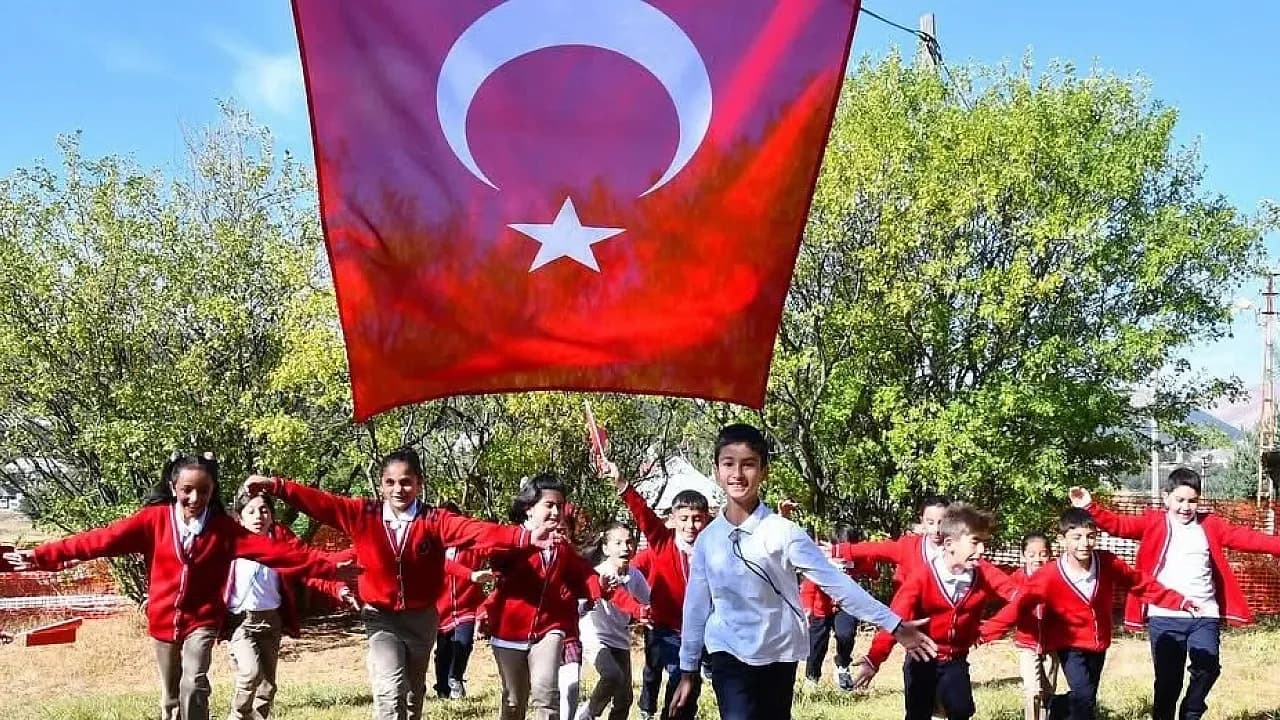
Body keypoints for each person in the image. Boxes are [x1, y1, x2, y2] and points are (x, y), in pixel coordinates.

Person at [3, 453, 340, 720]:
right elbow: (100, 540)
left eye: (204, 491)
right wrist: (43, 556)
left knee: (194, 682)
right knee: (171, 697)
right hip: (163, 620)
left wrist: (333, 567)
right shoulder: (154, 521)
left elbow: (280, 553)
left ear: (213, 491)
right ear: (173, 487)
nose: (195, 498)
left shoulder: (224, 530)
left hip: (203, 620)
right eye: (187, 491)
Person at [242, 448, 554, 720]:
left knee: (411, 694)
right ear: (381, 486)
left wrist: (524, 536)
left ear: (419, 484)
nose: (398, 489)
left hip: (422, 619)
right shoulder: (363, 513)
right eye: (390, 482)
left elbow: (476, 530)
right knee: (389, 692)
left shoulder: (434, 520)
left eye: (406, 481)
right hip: (380, 617)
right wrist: (276, 486)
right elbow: (321, 503)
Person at [669, 423, 937, 720]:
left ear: (764, 471)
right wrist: (688, 669)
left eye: (748, 465)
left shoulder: (785, 533)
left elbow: (837, 584)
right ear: (716, 470)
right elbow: (696, 607)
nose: (737, 474)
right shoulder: (709, 539)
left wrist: (895, 625)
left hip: (778, 652)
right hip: (727, 651)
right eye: (728, 464)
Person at [1071, 469, 1280, 720]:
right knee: (1169, 681)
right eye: (1180, 500)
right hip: (1164, 615)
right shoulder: (1154, 522)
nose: (1185, 507)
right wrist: (1090, 507)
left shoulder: (1210, 525)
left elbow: (1249, 539)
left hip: (1204, 614)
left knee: (1208, 667)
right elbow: (1119, 525)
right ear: (1166, 498)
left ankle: (1191, 712)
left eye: (1192, 501)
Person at [981, 508, 1196, 720]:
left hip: (1099, 644)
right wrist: (986, 631)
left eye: (1090, 536)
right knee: (1083, 699)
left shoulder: (1107, 562)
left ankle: (1054, 707)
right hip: (1069, 644)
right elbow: (1020, 605)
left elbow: (1139, 583)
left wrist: (1178, 601)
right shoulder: (1049, 575)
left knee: (1087, 700)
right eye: (1077, 537)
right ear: (1062, 540)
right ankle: (1057, 707)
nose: (1084, 543)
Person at [486, 474, 646, 720]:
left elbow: (585, 576)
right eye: (549, 505)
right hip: (509, 632)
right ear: (529, 508)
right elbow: (493, 554)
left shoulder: (561, 548)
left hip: (549, 629)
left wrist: (605, 588)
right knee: (513, 701)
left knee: (547, 695)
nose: (555, 512)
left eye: (559, 506)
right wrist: (525, 542)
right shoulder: (511, 539)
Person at [852, 504, 1015, 720]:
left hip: (955, 658)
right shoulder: (922, 576)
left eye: (984, 543)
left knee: (961, 709)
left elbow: (1020, 597)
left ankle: (941, 708)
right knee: (918, 713)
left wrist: (988, 630)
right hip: (921, 657)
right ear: (950, 544)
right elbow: (895, 618)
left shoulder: (982, 571)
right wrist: (874, 659)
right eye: (975, 542)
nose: (982, 550)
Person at [223, 491, 359, 720]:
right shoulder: (231, 542)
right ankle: (238, 715)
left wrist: (338, 588)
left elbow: (307, 568)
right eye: (251, 511)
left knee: (267, 687)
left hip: (271, 620)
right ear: (240, 517)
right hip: (241, 621)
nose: (259, 516)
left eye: (264, 510)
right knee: (250, 673)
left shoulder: (281, 541)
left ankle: (258, 717)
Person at [605, 463, 709, 720]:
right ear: (673, 520)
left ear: (706, 519)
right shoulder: (663, 542)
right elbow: (643, 514)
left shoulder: (712, 546)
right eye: (684, 519)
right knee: (665, 674)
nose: (691, 525)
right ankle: (649, 708)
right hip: (665, 629)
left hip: (700, 631)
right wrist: (622, 484)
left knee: (690, 685)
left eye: (697, 519)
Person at [828, 494, 1015, 597]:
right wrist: (839, 550)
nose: (936, 529)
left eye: (941, 522)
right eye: (930, 522)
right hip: (915, 622)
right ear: (922, 521)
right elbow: (875, 549)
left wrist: (1015, 593)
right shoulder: (908, 547)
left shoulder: (959, 549)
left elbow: (988, 572)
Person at [577, 522, 651, 720]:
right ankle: (587, 714)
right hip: (595, 636)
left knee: (624, 699)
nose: (625, 548)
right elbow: (581, 603)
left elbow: (649, 602)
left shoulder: (634, 575)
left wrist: (651, 614)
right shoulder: (599, 574)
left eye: (629, 542)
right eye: (618, 543)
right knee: (611, 675)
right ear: (605, 548)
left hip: (620, 639)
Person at [801, 523, 876, 691]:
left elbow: (871, 569)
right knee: (817, 644)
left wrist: (873, 574)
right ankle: (811, 677)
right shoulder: (822, 560)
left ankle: (842, 667)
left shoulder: (857, 561)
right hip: (821, 608)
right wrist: (807, 608)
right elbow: (809, 585)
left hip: (846, 606)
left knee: (846, 635)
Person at [433, 501, 491, 701]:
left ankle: (455, 678)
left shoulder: (471, 545)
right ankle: (442, 686)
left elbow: (491, 547)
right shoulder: (433, 547)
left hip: (467, 606)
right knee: (444, 651)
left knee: (464, 644)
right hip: (441, 610)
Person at [1010, 531, 1056, 720]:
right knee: (1032, 691)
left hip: (1052, 643)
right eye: (1032, 554)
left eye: (1043, 554)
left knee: (1047, 692)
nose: (1037, 559)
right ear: (1023, 556)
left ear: (1050, 555)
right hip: (1027, 642)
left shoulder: (1056, 577)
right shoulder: (1016, 579)